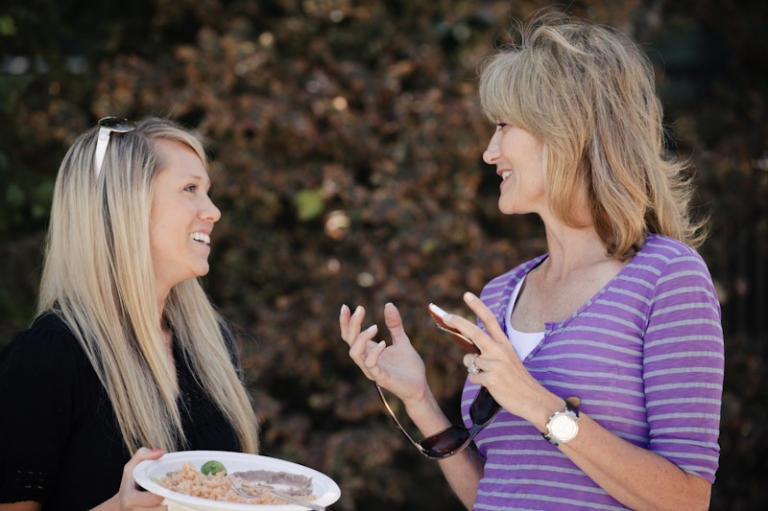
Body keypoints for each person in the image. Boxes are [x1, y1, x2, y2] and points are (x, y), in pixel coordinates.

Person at [340, 14, 724, 511]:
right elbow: (497, 494)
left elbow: (687, 500)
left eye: (503, 126)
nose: (489, 152)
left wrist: (539, 405)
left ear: (566, 132)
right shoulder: (501, 294)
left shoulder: (668, 278)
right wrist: (419, 401)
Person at [0, 117, 260, 510]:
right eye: (190, 189)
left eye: (207, 191)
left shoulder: (211, 344)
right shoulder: (48, 358)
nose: (213, 211)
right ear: (126, 206)